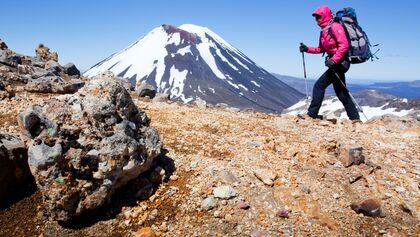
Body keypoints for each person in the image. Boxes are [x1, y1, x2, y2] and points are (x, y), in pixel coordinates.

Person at [300, 5, 360, 121]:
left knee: (319, 86)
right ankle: (354, 118)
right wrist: (307, 49)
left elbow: (344, 45)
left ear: (325, 15)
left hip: (341, 63)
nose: (317, 20)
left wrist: (334, 60)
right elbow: (321, 49)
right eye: (316, 17)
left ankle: (311, 114)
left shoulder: (335, 27)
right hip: (335, 63)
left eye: (319, 16)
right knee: (341, 92)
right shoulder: (324, 31)